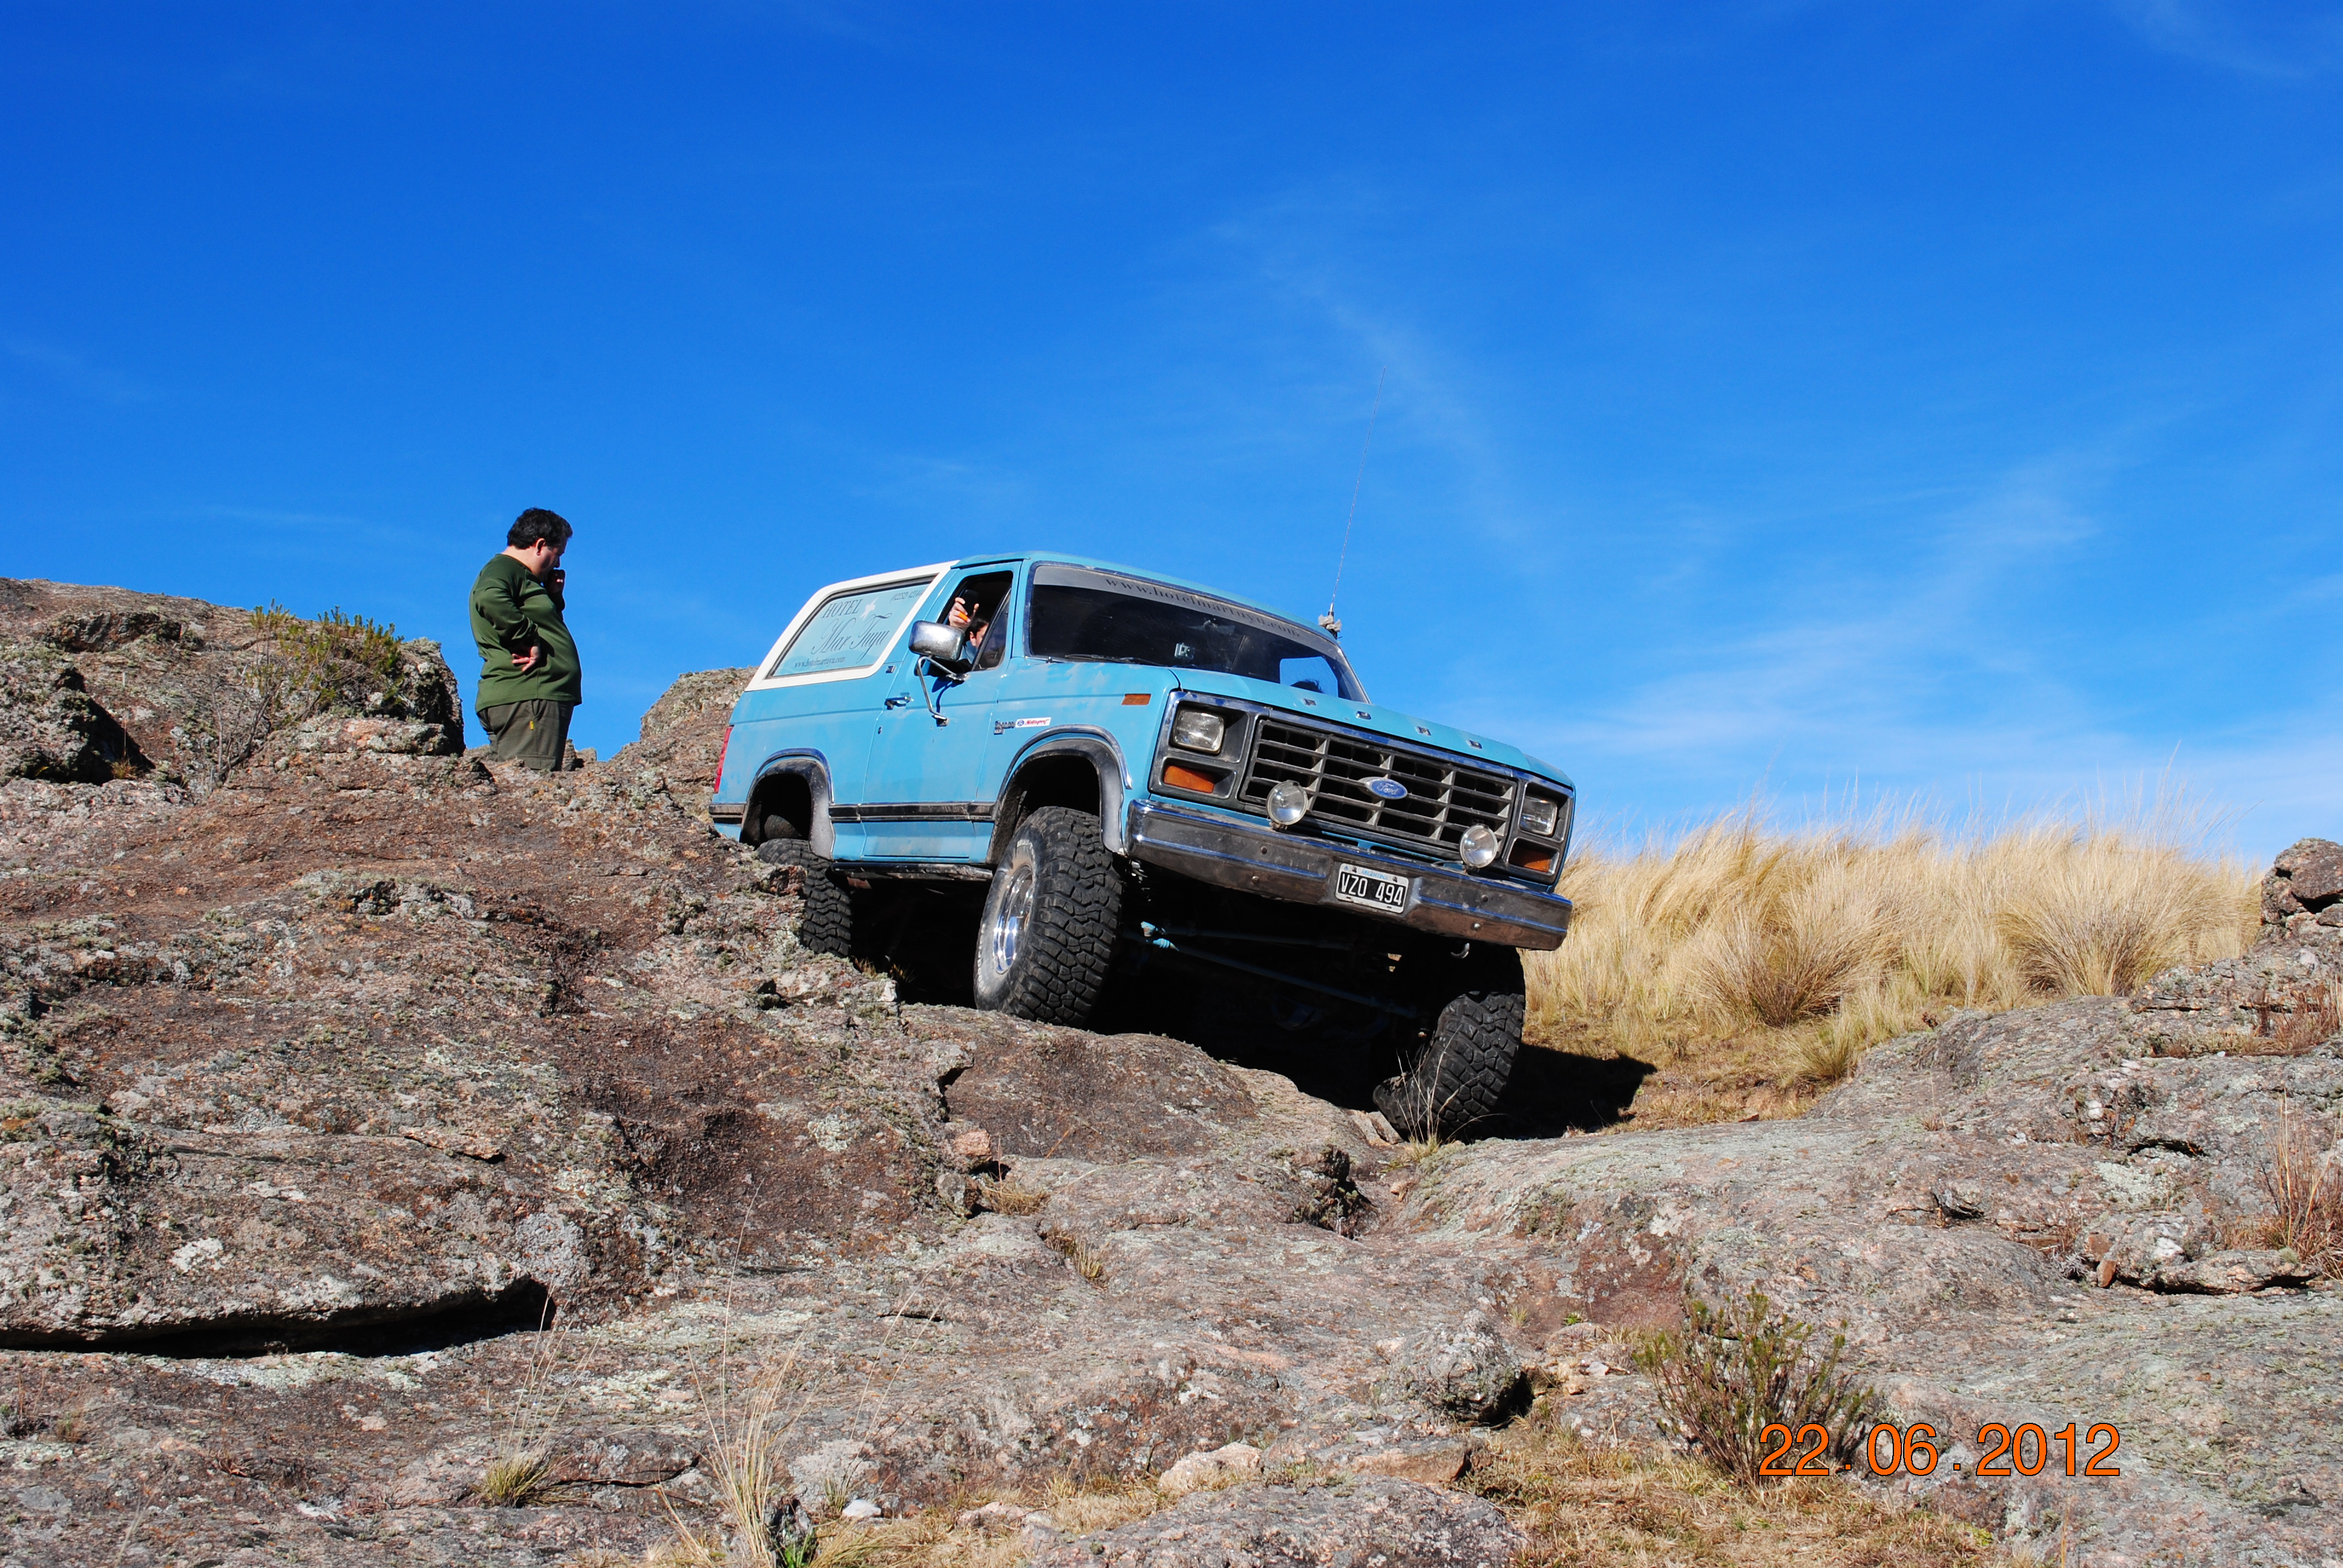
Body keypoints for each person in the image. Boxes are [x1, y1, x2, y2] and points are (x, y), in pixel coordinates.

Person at [469, 508, 582, 770]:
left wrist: (552, 596)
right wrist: (527, 637)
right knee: (531, 785)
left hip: (531, 700)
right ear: (541, 545)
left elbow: (545, 624)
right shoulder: (504, 569)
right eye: (559, 554)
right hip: (529, 698)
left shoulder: (520, 577)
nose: (558, 563)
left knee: (519, 788)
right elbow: (489, 598)